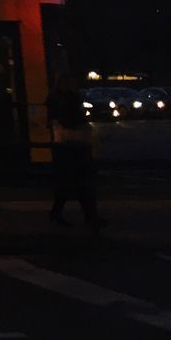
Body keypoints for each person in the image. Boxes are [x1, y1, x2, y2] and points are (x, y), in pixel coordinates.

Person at [45, 74, 104, 231]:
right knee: (82, 183)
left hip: (63, 144)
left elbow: (53, 119)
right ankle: (90, 217)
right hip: (75, 143)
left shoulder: (53, 98)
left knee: (70, 182)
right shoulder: (70, 98)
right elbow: (72, 117)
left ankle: (61, 213)